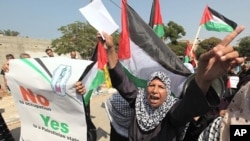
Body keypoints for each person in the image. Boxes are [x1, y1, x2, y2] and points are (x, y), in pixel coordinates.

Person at [98, 25, 245, 141]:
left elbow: (190, 105)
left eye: (161, 87)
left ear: (168, 92)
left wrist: (203, 79)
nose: (155, 90)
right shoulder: (138, 101)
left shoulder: (172, 111)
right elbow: (121, 81)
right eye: (152, 85)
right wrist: (110, 49)